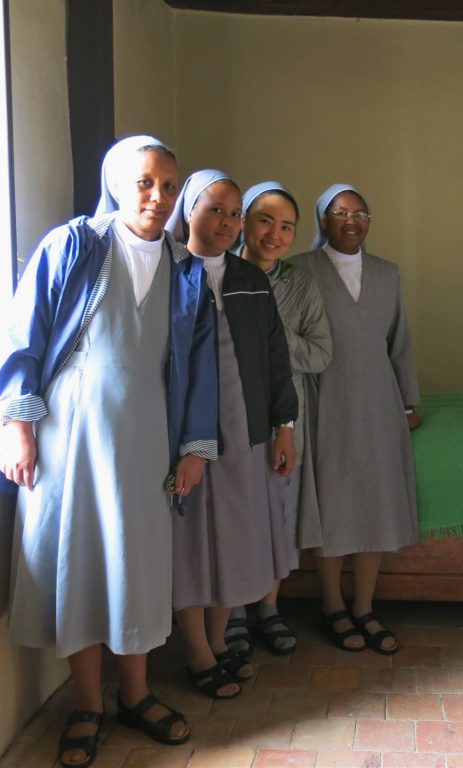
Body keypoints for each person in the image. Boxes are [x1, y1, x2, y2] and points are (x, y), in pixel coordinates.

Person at [0, 136, 218, 768]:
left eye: (170, 185)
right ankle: (88, 704)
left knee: (137, 566)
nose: (159, 196)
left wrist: (195, 446)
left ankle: (137, 695)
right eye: (146, 182)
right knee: (81, 564)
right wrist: (18, 423)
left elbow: (199, 366)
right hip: (71, 439)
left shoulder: (185, 268)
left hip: (149, 436)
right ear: (118, 183)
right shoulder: (74, 246)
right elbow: (26, 333)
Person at [165, 170, 298, 694]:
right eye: (214, 208)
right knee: (193, 542)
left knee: (237, 540)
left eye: (234, 212)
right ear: (189, 212)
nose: (226, 221)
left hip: (246, 431)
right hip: (184, 434)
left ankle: (220, 640)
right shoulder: (168, 274)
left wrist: (283, 427)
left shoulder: (251, 278)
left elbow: (275, 359)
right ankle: (196, 651)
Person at [289, 183, 420, 655]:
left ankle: (364, 606)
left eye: (360, 213)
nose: (351, 220)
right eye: (340, 212)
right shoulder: (298, 270)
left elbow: (399, 343)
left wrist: (408, 402)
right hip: (324, 401)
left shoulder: (388, 274)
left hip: (379, 401)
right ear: (322, 220)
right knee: (335, 503)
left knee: (374, 504)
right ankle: (331, 605)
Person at [224, 181, 332, 657]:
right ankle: (228, 612)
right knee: (230, 511)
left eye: (287, 226)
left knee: (278, 512)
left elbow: (321, 353)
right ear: (244, 219)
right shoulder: (218, 273)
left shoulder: (301, 285)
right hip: (229, 411)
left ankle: (268, 607)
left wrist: (270, 334)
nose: (275, 234)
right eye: (265, 220)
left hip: (286, 416)